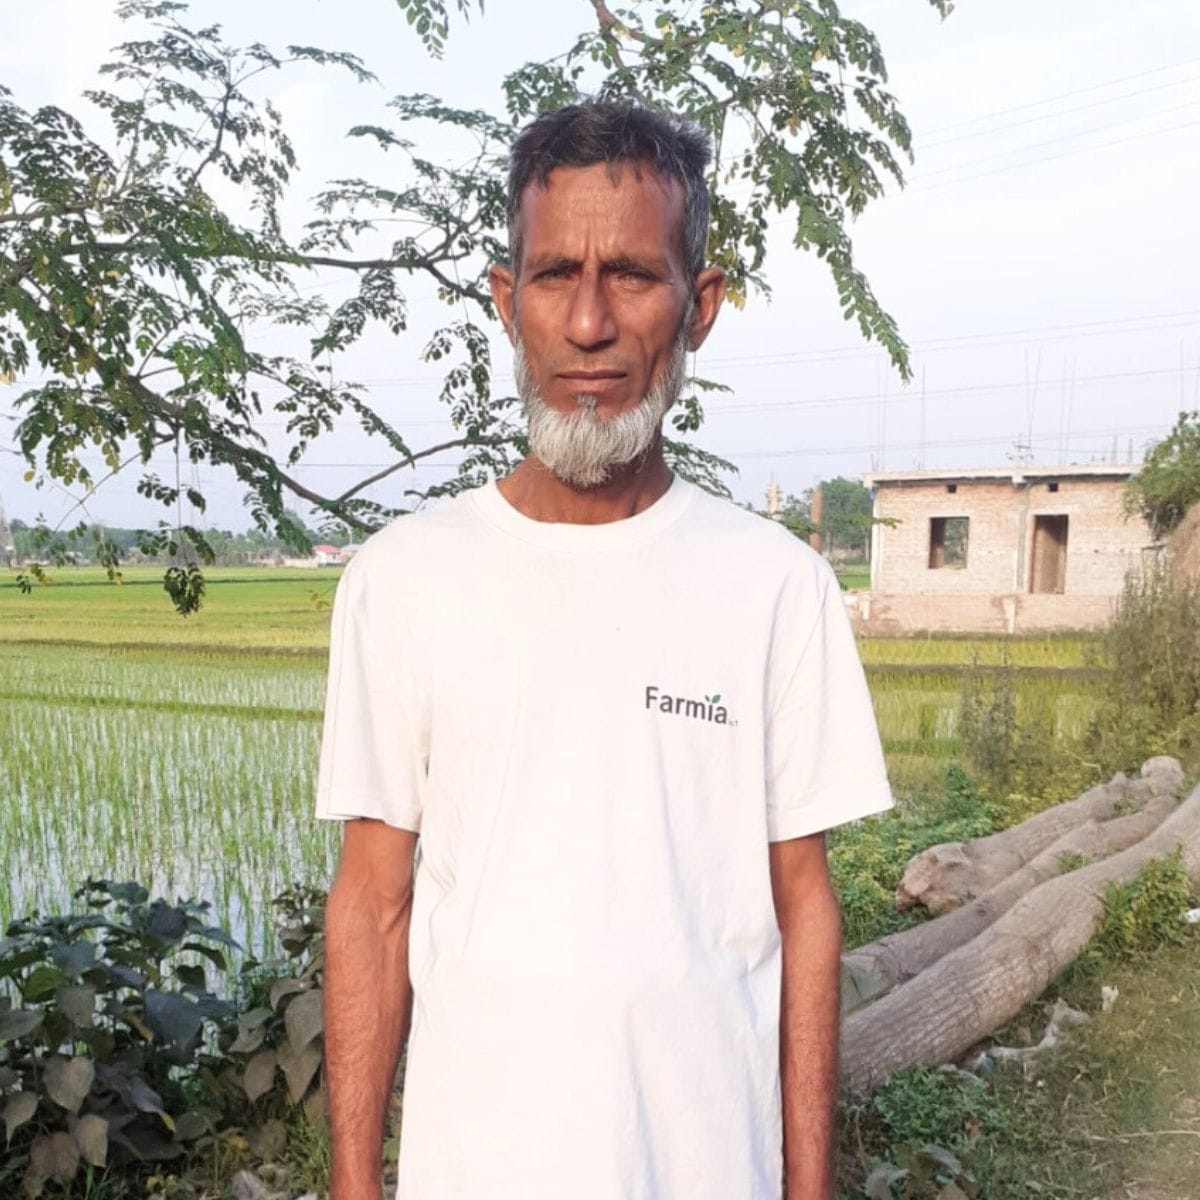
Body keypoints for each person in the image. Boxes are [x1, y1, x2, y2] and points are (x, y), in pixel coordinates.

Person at [316, 101, 893, 1200]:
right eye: (552, 276)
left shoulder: (776, 587)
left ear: (700, 306)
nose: (588, 324)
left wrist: (808, 1189)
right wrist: (355, 1185)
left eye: (630, 274)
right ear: (506, 300)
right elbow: (373, 905)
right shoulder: (400, 582)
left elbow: (804, 909)